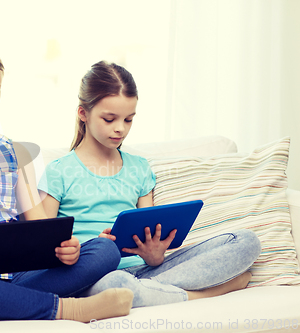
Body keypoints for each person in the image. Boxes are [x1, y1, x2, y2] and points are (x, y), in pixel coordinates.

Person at [0, 40, 134, 324]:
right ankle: (67, 309)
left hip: (19, 271)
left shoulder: (14, 151)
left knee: (105, 250)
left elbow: (40, 227)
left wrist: (65, 247)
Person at [38, 60, 262, 308]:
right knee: (117, 285)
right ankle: (202, 294)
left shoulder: (139, 168)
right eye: (109, 119)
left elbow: (148, 230)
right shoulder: (58, 171)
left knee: (245, 241)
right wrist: (78, 252)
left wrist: (155, 254)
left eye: (128, 120)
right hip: (97, 278)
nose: (120, 129)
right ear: (83, 114)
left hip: (146, 271)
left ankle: (151, 293)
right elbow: (42, 248)